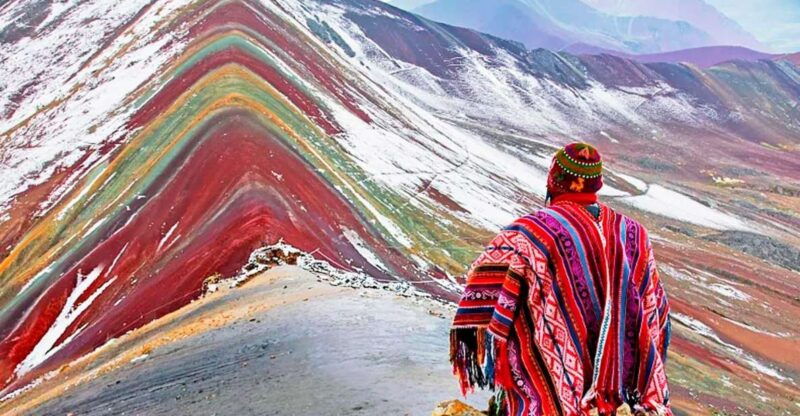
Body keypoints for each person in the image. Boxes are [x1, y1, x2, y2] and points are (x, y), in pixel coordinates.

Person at [450, 143, 671, 416]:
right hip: (621, 391)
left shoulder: (531, 232)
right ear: (597, 184)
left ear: (554, 180)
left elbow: (486, 290)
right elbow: (654, 309)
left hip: (553, 390)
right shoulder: (635, 233)